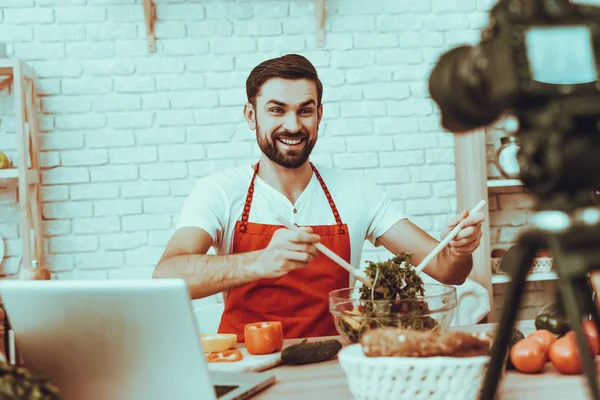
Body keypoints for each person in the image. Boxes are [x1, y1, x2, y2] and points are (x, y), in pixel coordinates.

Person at [153, 54, 485, 342]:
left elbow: (446, 270)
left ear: (319, 115)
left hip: (334, 359)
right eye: (277, 110)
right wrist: (261, 262)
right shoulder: (219, 191)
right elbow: (167, 276)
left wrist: (458, 249)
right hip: (248, 361)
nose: (292, 125)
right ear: (251, 116)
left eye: (304, 111)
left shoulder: (357, 193)